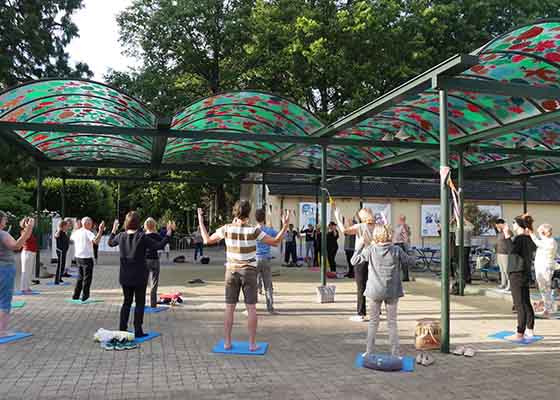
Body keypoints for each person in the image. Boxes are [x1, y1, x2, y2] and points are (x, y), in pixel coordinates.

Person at [197, 201, 289, 352]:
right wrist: (285, 225)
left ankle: (227, 343)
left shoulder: (226, 229)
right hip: (249, 272)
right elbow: (276, 241)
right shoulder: (254, 230)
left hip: (231, 271)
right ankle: (252, 345)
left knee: (229, 308)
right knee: (251, 308)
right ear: (249, 213)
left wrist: (201, 221)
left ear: (234, 212)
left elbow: (207, 240)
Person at [108, 212, 174, 337]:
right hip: (139, 276)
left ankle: (122, 328)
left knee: (126, 302)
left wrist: (113, 229)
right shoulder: (142, 237)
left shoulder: (121, 236)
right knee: (139, 303)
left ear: (126, 223)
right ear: (138, 223)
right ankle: (138, 330)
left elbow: (110, 242)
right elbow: (158, 245)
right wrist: (168, 234)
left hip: (125, 276)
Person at [351, 224, 412, 357]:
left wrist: (359, 246)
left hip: (374, 291)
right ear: (389, 235)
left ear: (376, 236)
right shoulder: (396, 250)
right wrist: (407, 243)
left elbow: (354, 261)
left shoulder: (371, 249)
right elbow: (411, 261)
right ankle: (395, 354)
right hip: (392, 291)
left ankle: (369, 351)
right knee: (392, 323)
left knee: (373, 322)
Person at [335, 208, 375, 322]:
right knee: (373, 285)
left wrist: (338, 218)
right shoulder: (377, 226)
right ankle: (376, 311)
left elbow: (345, 231)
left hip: (361, 259)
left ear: (362, 217)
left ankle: (361, 313)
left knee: (361, 286)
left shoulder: (360, 226)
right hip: (374, 258)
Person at [0, 211, 34, 338]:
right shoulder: (2, 234)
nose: (6, 222)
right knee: (4, 300)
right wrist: (28, 229)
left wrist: (28, 229)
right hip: (4, 269)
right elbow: (16, 246)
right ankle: (1, 331)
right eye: (4, 219)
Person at [504, 214, 537, 340]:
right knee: (526, 302)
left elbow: (512, 250)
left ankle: (520, 333)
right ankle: (530, 329)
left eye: (513, 223)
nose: (512, 226)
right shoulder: (529, 238)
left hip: (517, 273)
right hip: (524, 272)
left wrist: (507, 236)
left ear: (518, 225)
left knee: (519, 304)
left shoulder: (519, 238)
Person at [71, 217, 105, 302]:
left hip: (78, 257)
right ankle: (85, 296)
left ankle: (76, 295)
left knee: (80, 277)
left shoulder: (77, 232)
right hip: (87, 257)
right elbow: (96, 241)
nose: (91, 225)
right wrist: (100, 231)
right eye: (90, 223)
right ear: (87, 224)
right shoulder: (88, 233)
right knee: (87, 278)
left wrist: (76, 227)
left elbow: (71, 238)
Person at [529, 224, 557, 318]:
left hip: (545, 268)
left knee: (545, 289)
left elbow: (537, 242)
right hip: (542, 267)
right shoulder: (546, 241)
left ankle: (548, 310)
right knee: (544, 289)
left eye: (541, 232)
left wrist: (532, 233)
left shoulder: (550, 242)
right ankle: (548, 308)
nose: (540, 233)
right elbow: (539, 240)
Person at [255, 208, 278, 314]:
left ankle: (252, 308)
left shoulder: (252, 230)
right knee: (268, 285)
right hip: (266, 259)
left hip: (254, 259)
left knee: (253, 285)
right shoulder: (268, 230)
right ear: (264, 218)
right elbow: (278, 235)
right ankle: (270, 308)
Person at [144, 218, 165, 308]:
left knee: (143, 282)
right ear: (154, 225)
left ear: (145, 225)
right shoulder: (157, 235)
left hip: (145, 260)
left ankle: (141, 302)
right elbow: (163, 243)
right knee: (154, 283)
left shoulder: (143, 236)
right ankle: (153, 304)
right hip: (155, 260)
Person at [20, 217, 38, 294]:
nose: (32, 224)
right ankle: (23, 288)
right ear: (25, 223)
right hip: (27, 253)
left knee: (29, 271)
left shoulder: (29, 231)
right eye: (30, 222)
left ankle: (27, 287)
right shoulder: (24, 231)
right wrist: (29, 225)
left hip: (31, 253)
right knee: (25, 271)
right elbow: (27, 236)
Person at [494, 219, 512, 291]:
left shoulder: (506, 231)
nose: (496, 227)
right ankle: (503, 283)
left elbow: (510, 235)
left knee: (506, 269)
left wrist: (505, 228)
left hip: (505, 253)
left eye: (497, 225)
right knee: (501, 270)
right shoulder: (499, 233)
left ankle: (509, 285)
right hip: (499, 253)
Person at [393, 215, 411, 281]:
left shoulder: (405, 226)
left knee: (404, 261)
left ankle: (405, 277)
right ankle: (397, 277)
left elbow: (407, 235)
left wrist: (406, 244)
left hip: (402, 244)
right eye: (400, 219)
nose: (399, 220)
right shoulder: (397, 226)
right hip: (396, 244)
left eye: (401, 219)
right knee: (396, 262)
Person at [54, 220, 70, 285]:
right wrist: (59, 229)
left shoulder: (64, 232)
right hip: (60, 251)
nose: (67, 227)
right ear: (63, 226)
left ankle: (60, 278)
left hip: (64, 251)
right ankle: (56, 281)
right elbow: (56, 236)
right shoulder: (59, 232)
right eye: (66, 226)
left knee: (62, 265)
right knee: (60, 266)